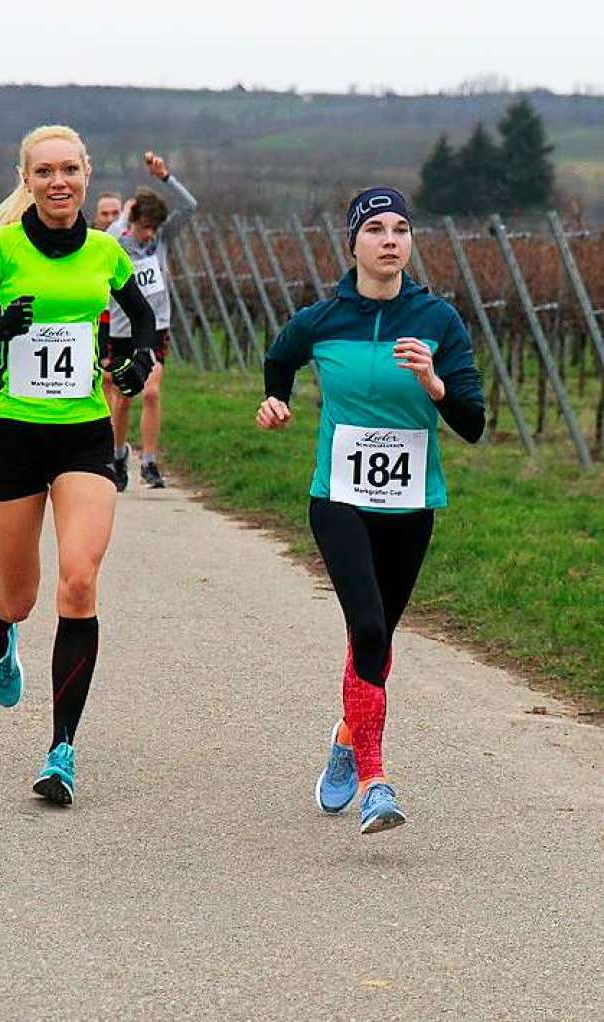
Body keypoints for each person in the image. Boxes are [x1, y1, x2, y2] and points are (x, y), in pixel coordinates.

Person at [0, 124, 157, 807]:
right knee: (22, 597)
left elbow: (142, 323)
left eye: (69, 169)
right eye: (44, 172)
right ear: (26, 179)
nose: (58, 181)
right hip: (12, 437)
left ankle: (61, 750)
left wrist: (136, 359)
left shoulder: (105, 253)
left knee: (80, 580)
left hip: (84, 438)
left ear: (87, 175)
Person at [257, 187, 485, 835]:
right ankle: (375, 782)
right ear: (352, 242)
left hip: (411, 505)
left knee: (377, 642)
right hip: (339, 499)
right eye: (376, 229)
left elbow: (471, 421)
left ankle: (343, 738)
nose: (390, 240)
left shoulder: (438, 320)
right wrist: (277, 402)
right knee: (366, 627)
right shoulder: (322, 319)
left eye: (401, 229)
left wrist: (434, 384)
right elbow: (279, 358)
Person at [107, 152, 197, 490]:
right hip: (122, 328)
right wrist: (127, 217)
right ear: (133, 222)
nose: (149, 235)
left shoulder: (161, 240)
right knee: (123, 396)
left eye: (153, 229)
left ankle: (149, 461)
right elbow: (116, 230)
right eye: (145, 228)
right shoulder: (116, 241)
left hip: (156, 326)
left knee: (152, 393)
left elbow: (190, 207)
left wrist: (165, 178)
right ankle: (117, 455)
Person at [93, 191, 123, 409]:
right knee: (102, 378)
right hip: (96, 319)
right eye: (105, 214)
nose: (111, 219)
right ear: (96, 217)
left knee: (114, 380)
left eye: (116, 213)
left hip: (121, 322)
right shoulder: (87, 243)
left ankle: (113, 438)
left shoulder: (130, 245)